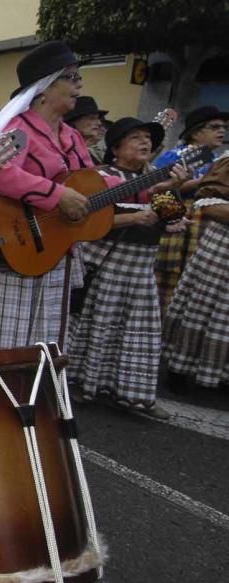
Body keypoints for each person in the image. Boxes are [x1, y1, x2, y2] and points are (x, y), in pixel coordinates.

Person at [0, 40, 123, 350]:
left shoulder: (71, 136)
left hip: (53, 247)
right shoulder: (18, 129)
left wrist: (141, 187)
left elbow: (90, 182)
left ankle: (31, 392)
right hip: (12, 243)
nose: (80, 84)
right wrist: (57, 195)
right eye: (71, 77)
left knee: (40, 342)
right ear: (44, 87)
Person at [66, 118, 187, 418]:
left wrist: (174, 190)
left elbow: (174, 222)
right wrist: (129, 219)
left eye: (147, 137)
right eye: (135, 137)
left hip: (141, 267)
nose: (144, 142)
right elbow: (82, 219)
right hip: (106, 264)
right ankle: (84, 384)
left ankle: (134, 395)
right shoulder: (101, 176)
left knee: (139, 333)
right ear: (116, 148)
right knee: (97, 325)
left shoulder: (157, 178)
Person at [163, 152, 229, 392]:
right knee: (201, 306)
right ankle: (179, 368)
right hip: (223, 245)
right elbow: (208, 204)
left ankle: (221, 373)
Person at [153, 105, 227, 311]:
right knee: (168, 283)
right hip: (178, 221)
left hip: (203, 227)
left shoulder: (214, 159)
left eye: (224, 127)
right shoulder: (177, 156)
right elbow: (157, 191)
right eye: (214, 127)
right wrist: (204, 182)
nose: (222, 131)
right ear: (195, 132)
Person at [64, 96, 108, 164]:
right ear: (74, 121)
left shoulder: (93, 153)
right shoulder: (66, 152)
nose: (99, 123)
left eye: (98, 118)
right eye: (92, 118)